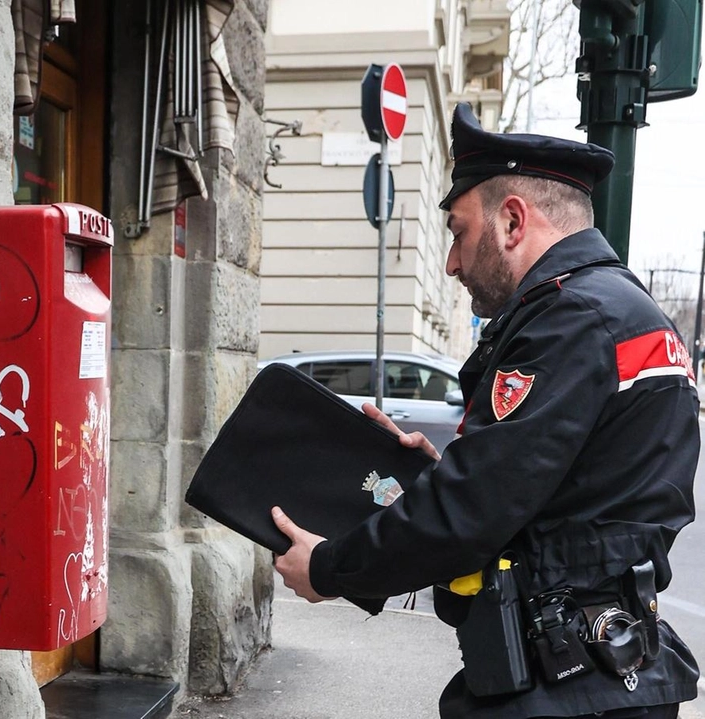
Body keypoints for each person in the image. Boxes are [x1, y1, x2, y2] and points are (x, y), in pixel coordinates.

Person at [270, 103, 699, 718]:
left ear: (513, 221)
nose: (452, 262)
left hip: (563, 685)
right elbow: (575, 494)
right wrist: (449, 465)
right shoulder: (624, 312)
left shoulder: (570, 319)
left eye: (458, 232)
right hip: (605, 671)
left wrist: (330, 568)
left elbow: (474, 510)